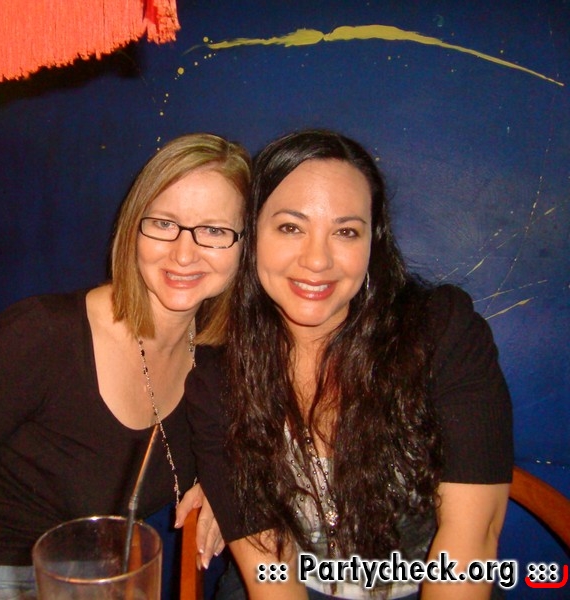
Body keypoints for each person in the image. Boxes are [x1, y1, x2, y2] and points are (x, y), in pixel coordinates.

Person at [0, 132, 250, 599]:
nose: (184, 253)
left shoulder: (214, 361)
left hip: (83, 578)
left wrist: (221, 482)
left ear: (244, 247)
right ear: (133, 228)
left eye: (214, 231)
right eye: (164, 223)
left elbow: (240, 446)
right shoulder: (43, 335)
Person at [184, 129, 513, 599]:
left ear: (373, 242)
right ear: (252, 235)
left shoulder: (440, 331)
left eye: (346, 231)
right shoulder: (220, 376)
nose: (317, 260)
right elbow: (267, 571)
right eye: (290, 227)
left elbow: (470, 541)